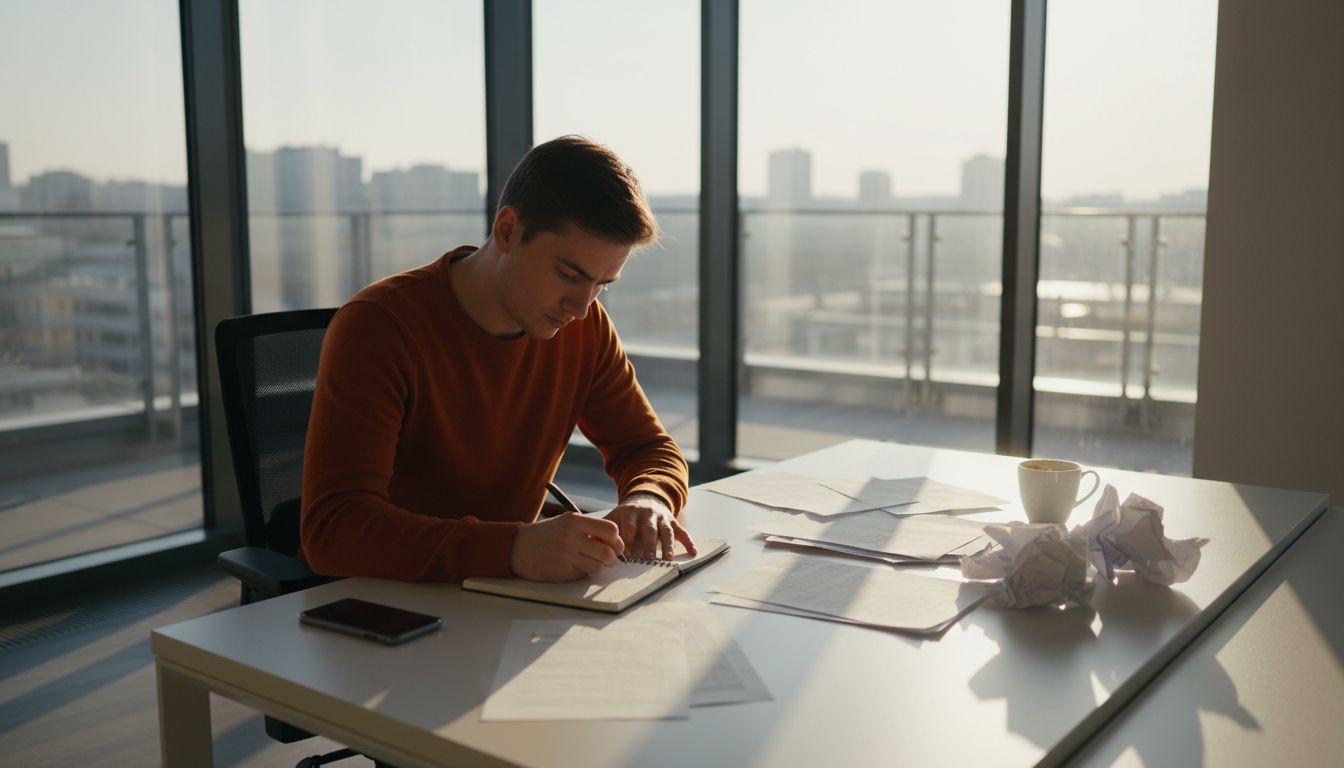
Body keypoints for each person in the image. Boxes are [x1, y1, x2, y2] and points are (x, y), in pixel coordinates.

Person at [300, 135, 695, 583]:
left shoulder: (585, 327)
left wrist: (650, 499)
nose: (581, 307)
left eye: (603, 285)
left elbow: (646, 448)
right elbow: (334, 528)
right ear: (507, 230)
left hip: (499, 595)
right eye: (569, 274)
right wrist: (511, 548)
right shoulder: (380, 327)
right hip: (382, 599)